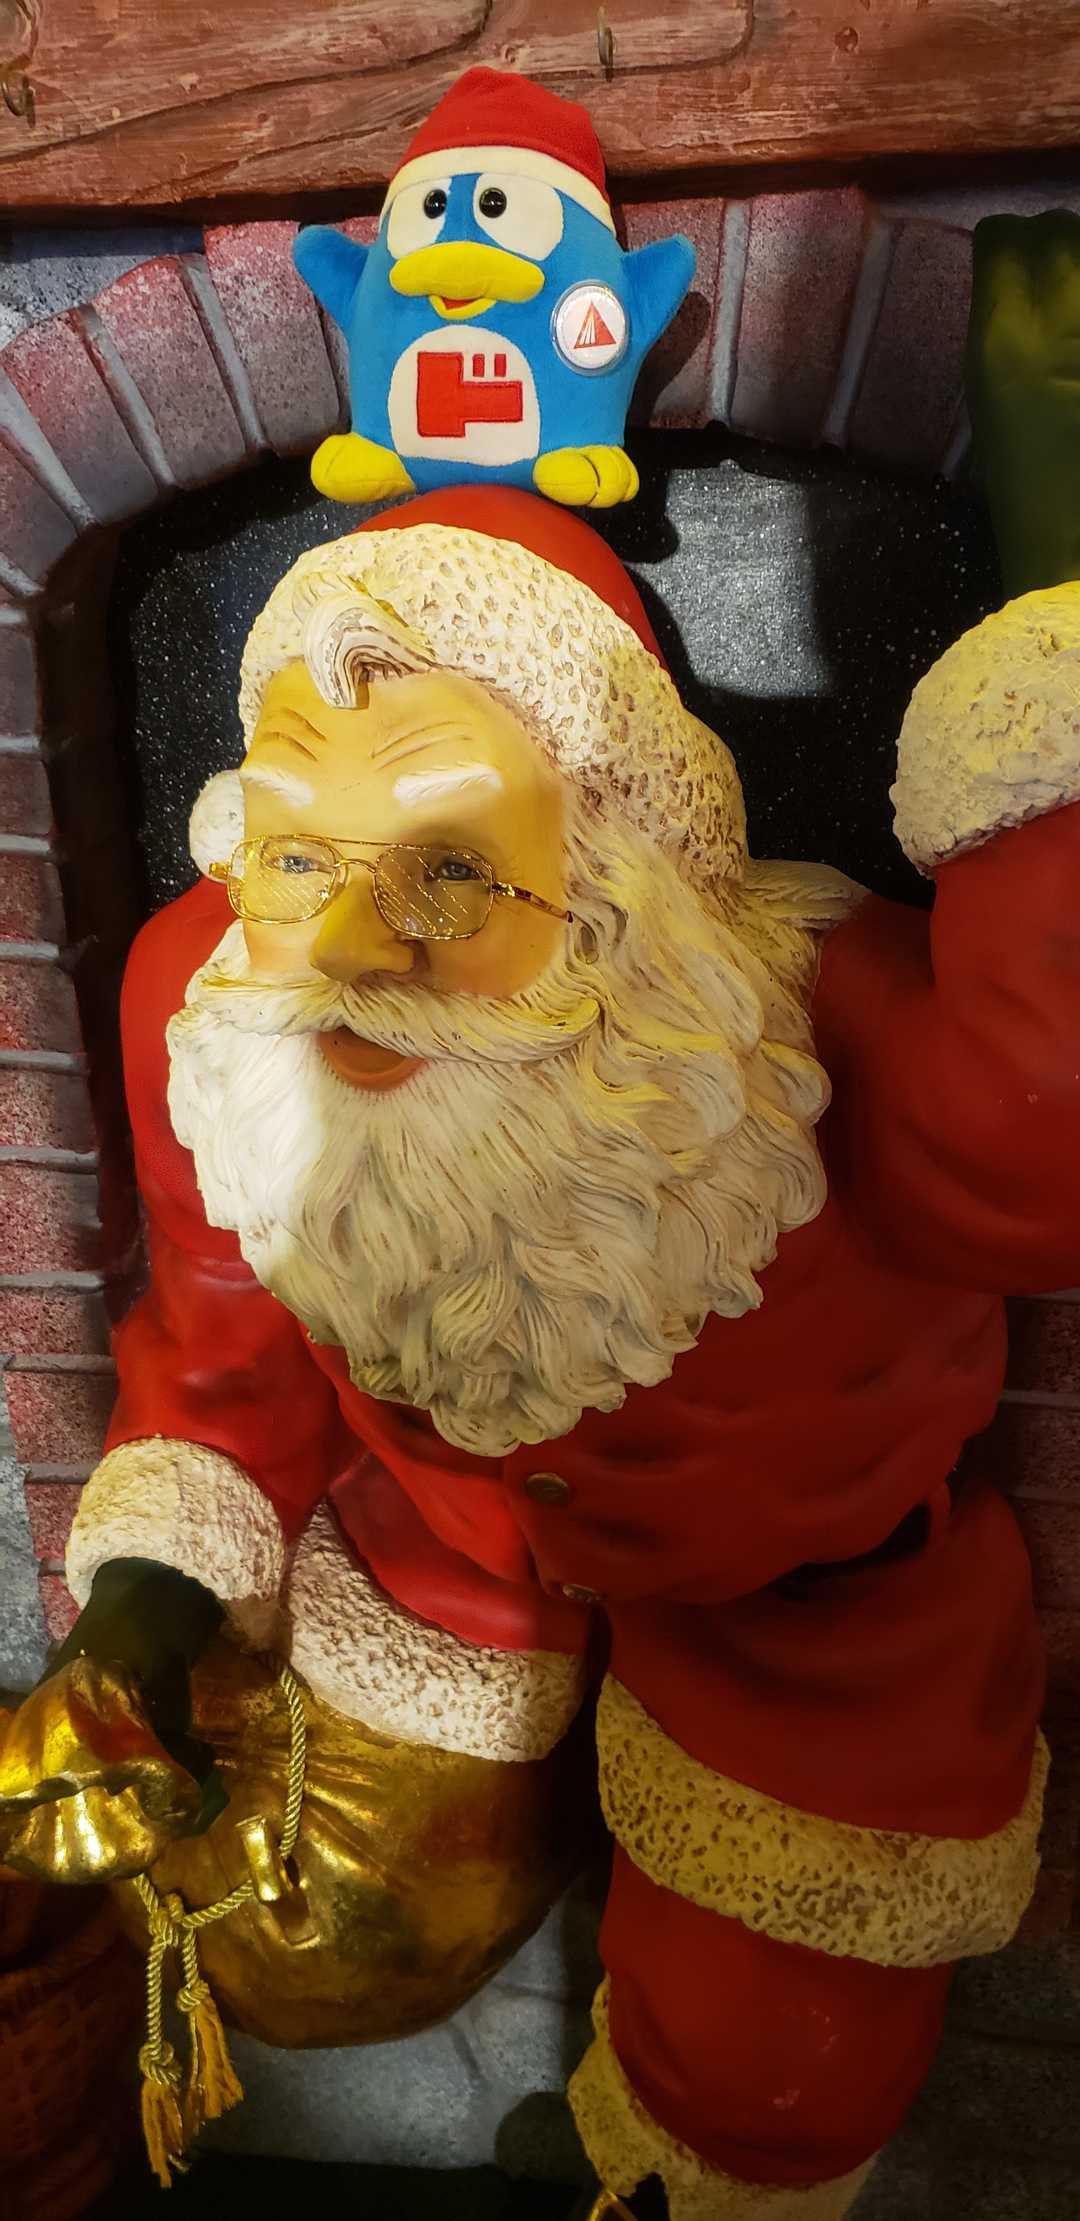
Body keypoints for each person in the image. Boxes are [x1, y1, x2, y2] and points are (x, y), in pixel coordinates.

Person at [3, 215, 1080, 2221]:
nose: (351, 940)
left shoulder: (786, 1021)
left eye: (445, 863)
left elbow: (1046, 1138)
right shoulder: (223, 1010)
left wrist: (1058, 574)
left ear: (609, 864)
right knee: (306, 1949)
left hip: (809, 1604)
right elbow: (226, 1349)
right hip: (450, 1538)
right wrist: (145, 1613)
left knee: (770, 2067)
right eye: (303, 851)